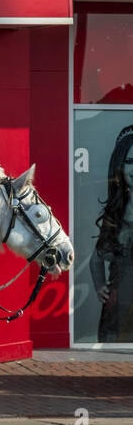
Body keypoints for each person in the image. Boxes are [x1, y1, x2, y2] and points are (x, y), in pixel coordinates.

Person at [92, 125, 133, 341]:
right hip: (117, 310)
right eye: (129, 162)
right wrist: (100, 287)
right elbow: (95, 260)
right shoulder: (116, 213)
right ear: (119, 165)